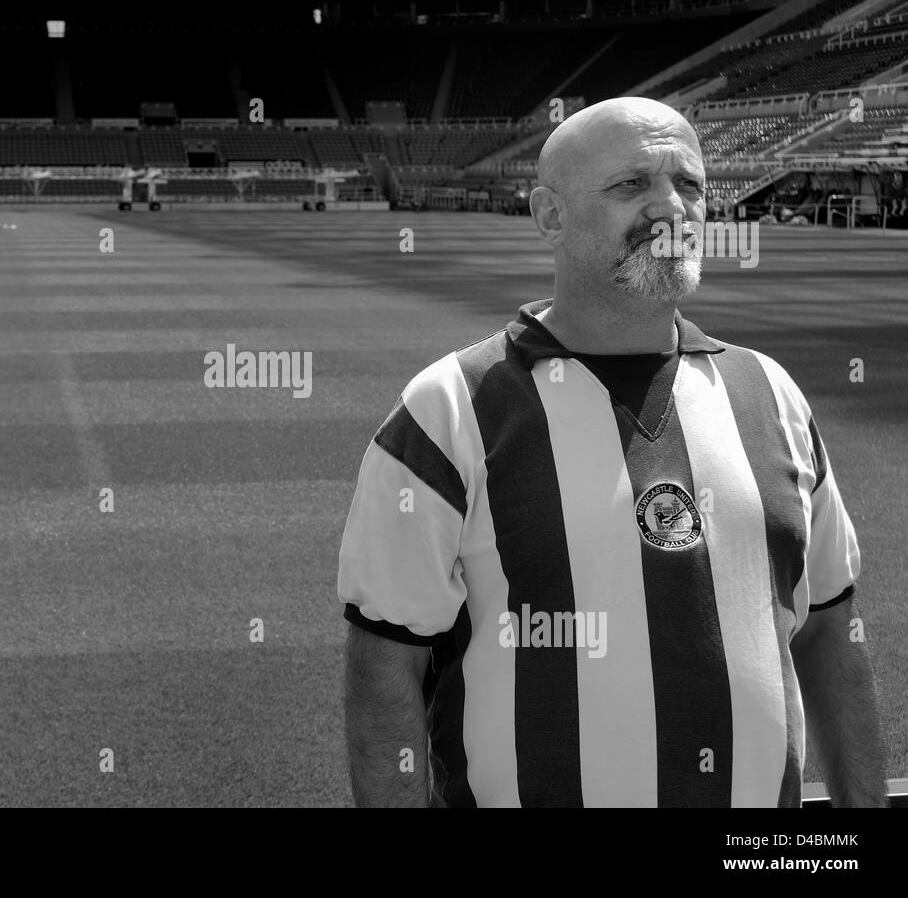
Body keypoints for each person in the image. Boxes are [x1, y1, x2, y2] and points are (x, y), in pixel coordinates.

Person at [338, 96, 887, 807]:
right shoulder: (449, 408)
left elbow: (831, 634)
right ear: (549, 216)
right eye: (631, 185)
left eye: (688, 184)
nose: (670, 208)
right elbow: (385, 669)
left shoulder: (770, 394)